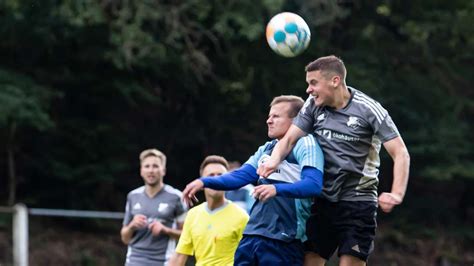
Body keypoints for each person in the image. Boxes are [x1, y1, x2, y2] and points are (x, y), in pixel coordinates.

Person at [257, 55, 411, 266]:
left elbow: (400, 152)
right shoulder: (313, 106)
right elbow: (290, 138)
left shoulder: (369, 109)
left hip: (358, 203)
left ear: (335, 81)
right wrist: (274, 160)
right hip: (323, 201)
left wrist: (397, 193)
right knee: (309, 260)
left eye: (313, 83)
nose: (308, 90)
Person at [182, 95, 325, 265]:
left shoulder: (305, 143)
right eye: (269, 116)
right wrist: (203, 182)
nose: (268, 121)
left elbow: (314, 185)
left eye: (276, 116)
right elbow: (239, 176)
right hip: (251, 237)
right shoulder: (266, 148)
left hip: (283, 239)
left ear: (296, 121)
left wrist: (276, 189)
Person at [169, 155, 249, 266]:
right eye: (210, 176)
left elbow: (250, 257)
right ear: (202, 182)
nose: (215, 180)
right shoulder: (193, 215)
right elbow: (179, 255)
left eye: (220, 176)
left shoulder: (242, 216)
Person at [120, 148, 187, 266]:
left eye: (155, 166)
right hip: (133, 262)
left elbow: (186, 236)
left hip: (163, 262)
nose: (151, 170)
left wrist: (165, 230)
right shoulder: (133, 196)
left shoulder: (177, 197)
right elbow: (125, 238)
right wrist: (132, 226)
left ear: (163, 170)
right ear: (141, 171)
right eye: (147, 166)